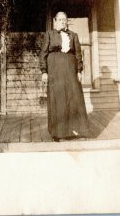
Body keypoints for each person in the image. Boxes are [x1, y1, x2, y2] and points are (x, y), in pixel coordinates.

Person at [39, 11, 90, 142]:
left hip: (71, 70)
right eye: (60, 19)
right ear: (55, 21)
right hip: (55, 70)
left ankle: (77, 131)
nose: (62, 21)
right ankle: (58, 134)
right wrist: (44, 71)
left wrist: (79, 70)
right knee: (58, 99)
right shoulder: (49, 34)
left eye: (64, 19)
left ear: (67, 21)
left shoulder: (74, 35)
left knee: (74, 98)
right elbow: (43, 53)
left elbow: (78, 54)